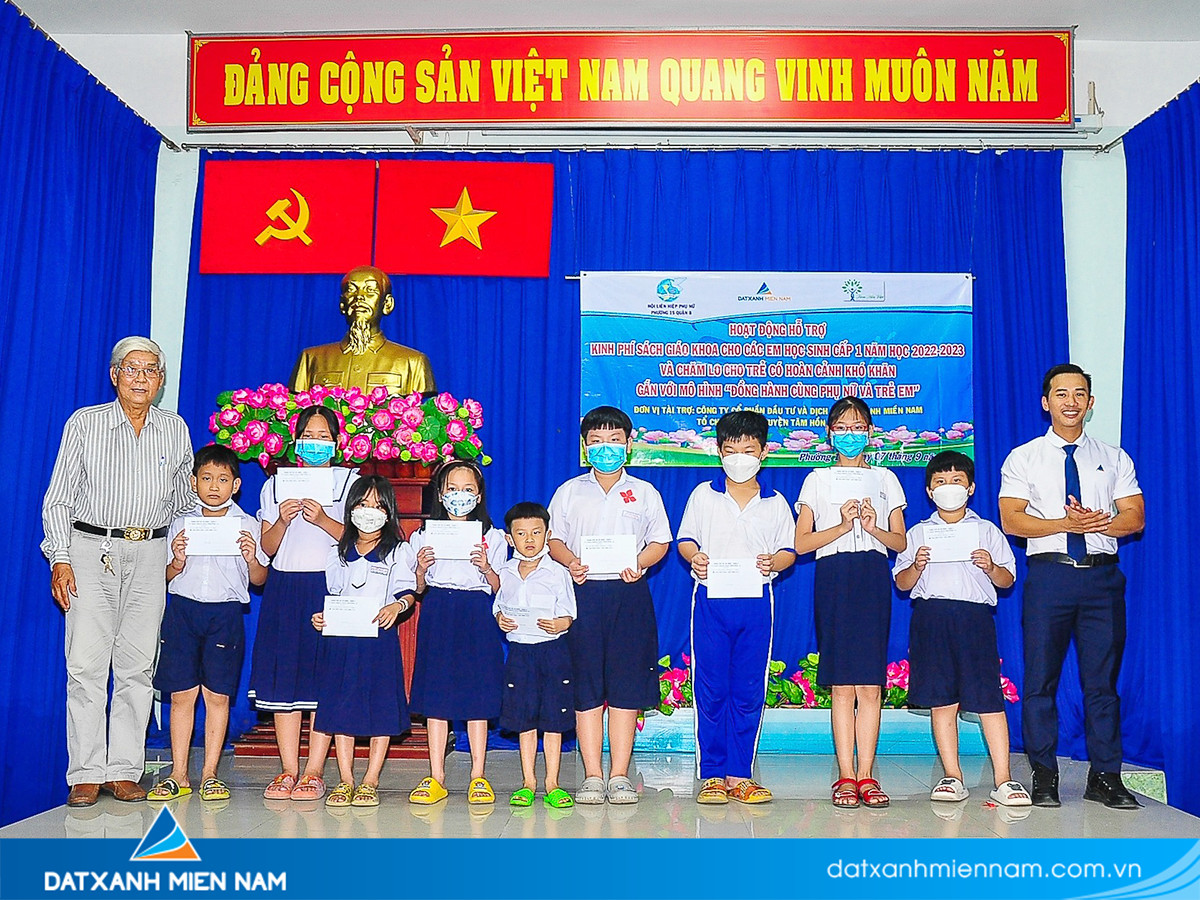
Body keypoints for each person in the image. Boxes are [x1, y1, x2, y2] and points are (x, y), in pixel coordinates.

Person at [42, 336, 195, 808]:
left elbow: (185, 499)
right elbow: (58, 499)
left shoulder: (174, 429)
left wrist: (222, 522)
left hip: (150, 553)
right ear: (114, 375)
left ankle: (125, 769)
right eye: (132, 368)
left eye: (151, 370)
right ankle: (86, 772)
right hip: (91, 549)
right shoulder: (85, 423)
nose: (141, 378)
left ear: (161, 380)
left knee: (138, 666)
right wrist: (60, 557)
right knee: (86, 665)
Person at [999, 364, 1145, 810]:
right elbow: (1012, 520)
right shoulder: (1023, 457)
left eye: (1080, 394)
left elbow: (1134, 517)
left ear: (1090, 403)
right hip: (1051, 577)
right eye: (1061, 394)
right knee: (1040, 681)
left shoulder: (1114, 457)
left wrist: (1098, 523)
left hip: (1102, 579)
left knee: (1102, 684)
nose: (1071, 402)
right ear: (1046, 402)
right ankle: (1044, 775)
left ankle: (1105, 776)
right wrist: (1065, 523)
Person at [547, 406, 672, 805]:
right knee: (585, 686)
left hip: (628, 595)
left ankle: (618, 775)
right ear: (585, 447)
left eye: (614, 440)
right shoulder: (569, 491)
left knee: (625, 686)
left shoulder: (645, 492)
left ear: (628, 445)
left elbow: (660, 541)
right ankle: (592, 775)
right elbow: (554, 540)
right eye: (597, 441)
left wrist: (640, 562)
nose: (606, 448)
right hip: (581, 594)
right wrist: (571, 562)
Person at [893, 451, 1030, 808]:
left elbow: (1007, 579)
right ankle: (952, 776)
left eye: (956, 481)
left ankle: (1004, 779)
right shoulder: (918, 533)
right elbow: (902, 584)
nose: (948, 487)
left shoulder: (986, 530)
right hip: (931, 619)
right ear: (929, 491)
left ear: (970, 488)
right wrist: (917, 566)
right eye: (940, 482)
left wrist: (991, 566)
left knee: (988, 699)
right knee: (942, 701)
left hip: (975, 619)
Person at [676, 410, 796, 805]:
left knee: (748, 689)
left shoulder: (775, 502)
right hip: (711, 601)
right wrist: (695, 557)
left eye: (748, 450)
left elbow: (789, 551)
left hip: (756, 602)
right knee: (711, 688)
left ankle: (739, 774)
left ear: (764, 452)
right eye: (731, 450)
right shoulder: (703, 495)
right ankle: (712, 774)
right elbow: (686, 540)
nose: (739, 458)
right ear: (719, 452)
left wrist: (774, 562)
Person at [794, 396, 907, 809]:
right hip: (834, 575)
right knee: (842, 685)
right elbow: (801, 543)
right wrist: (843, 525)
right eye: (842, 427)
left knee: (870, 685)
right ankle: (845, 775)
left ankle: (867, 776)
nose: (850, 435)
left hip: (872, 575)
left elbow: (900, 542)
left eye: (858, 427)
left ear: (871, 433)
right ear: (829, 434)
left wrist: (873, 528)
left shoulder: (886, 479)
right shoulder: (816, 480)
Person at [148, 445, 268, 802]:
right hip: (183, 612)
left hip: (225, 615)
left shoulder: (247, 525)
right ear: (193, 482)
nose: (214, 486)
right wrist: (176, 562)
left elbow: (259, 580)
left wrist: (251, 557)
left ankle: (211, 774)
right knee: (181, 696)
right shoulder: (180, 523)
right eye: (206, 478)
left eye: (222, 479)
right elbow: (163, 576)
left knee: (217, 696)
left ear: (236, 485)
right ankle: (179, 774)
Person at [251, 405, 360, 801]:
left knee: (323, 680)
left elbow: (361, 540)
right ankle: (288, 769)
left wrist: (322, 519)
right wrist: (282, 520)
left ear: (337, 442)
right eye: (308, 436)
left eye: (323, 437)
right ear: (296, 442)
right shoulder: (275, 484)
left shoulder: (350, 483)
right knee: (285, 679)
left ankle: (314, 770)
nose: (315, 444)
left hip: (330, 587)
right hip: (285, 586)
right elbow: (267, 547)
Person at [404, 460, 508, 806]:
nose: (459, 496)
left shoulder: (493, 536)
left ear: (478, 496)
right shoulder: (423, 535)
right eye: (452, 489)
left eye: (467, 489)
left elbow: (500, 589)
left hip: (477, 612)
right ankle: (437, 775)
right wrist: (421, 569)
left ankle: (478, 774)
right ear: (440, 494)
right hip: (438, 610)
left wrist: (487, 568)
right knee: (436, 696)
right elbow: (417, 588)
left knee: (477, 695)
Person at [310, 476, 414, 808]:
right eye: (363, 504)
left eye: (378, 506)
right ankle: (346, 779)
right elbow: (331, 595)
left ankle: (370, 779)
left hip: (378, 640)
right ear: (351, 509)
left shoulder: (399, 551)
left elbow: (408, 592)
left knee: (380, 707)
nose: (369, 512)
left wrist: (398, 606)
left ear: (389, 512)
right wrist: (320, 617)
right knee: (342, 707)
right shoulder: (337, 553)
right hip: (341, 642)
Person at [494, 502, 579, 810]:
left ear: (547, 534)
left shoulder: (558, 572)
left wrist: (560, 623)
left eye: (536, 532)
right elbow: (499, 607)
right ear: (509, 538)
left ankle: (552, 783)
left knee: (553, 720)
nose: (529, 539)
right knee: (524, 718)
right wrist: (500, 619)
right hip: (520, 653)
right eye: (521, 533)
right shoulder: (505, 572)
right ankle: (528, 782)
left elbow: (569, 613)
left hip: (552, 653)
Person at [289, 265, 435, 397]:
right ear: (342, 304)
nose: (359, 297)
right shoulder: (311, 359)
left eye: (370, 290)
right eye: (351, 290)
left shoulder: (413, 362)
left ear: (387, 304)